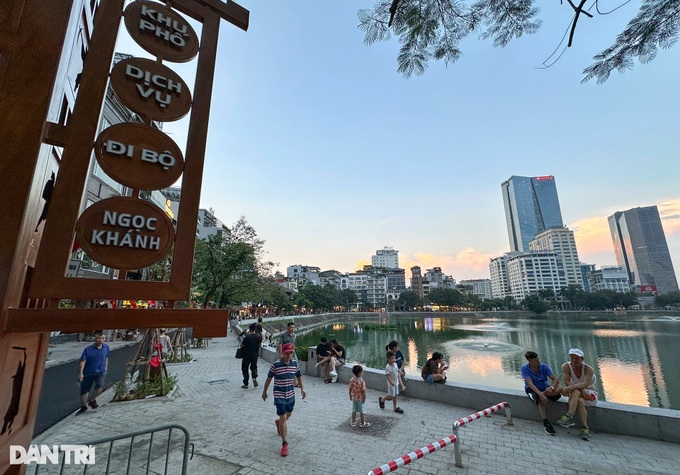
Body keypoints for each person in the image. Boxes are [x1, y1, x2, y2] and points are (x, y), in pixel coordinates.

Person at [262, 343, 306, 457]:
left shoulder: (295, 364)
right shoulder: (275, 365)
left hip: (290, 394)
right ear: (282, 353)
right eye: (286, 353)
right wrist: (264, 391)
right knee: (283, 416)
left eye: (291, 353)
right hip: (279, 395)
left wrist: (302, 389)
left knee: (289, 414)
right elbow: (269, 378)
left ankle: (279, 423)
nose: (288, 355)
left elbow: (299, 376)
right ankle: (284, 444)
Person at [556, 348, 598, 441]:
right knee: (580, 400)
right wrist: (580, 390)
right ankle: (585, 428)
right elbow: (566, 381)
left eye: (576, 358)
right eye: (572, 358)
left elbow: (586, 384)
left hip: (589, 394)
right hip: (578, 396)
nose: (574, 360)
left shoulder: (588, 369)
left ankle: (569, 416)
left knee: (575, 392)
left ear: (582, 359)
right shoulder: (566, 366)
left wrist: (571, 388)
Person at [521, 351, 562, 436]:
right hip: (532, 390)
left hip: (545, 389)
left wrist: (552, 388)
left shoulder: (544, 367)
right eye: (535, 360)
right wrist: (541, 395)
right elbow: (530, 384)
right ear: (530, 361)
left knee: (559, 389)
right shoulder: (524, 368)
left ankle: (542, 395)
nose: (538, 361)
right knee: (540, 399)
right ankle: (545, 421)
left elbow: (555, 380)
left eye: (538, 359)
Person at [76, 332, 110, 415]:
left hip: (100, 371)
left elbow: (106, 357)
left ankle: (92, 400)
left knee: (100, 385)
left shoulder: (106, 347)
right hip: (88, 372)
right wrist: (80, 373)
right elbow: (83, 361)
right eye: (99, 338)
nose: (101, 340)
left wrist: (105, 367)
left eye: (102, 338)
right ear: (95, 339)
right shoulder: (88, 349)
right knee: (85, 390)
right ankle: (84, 406)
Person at [240, 323, 262, 388]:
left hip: (246, 355)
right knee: (254, 367)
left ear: (249, 329)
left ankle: (246, 384)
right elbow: (260, 346)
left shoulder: (247, 337)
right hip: (255, 355)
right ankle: (254, 378)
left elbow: (241, 345)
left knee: (245, 368)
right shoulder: (258, 337)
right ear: (255, 329)